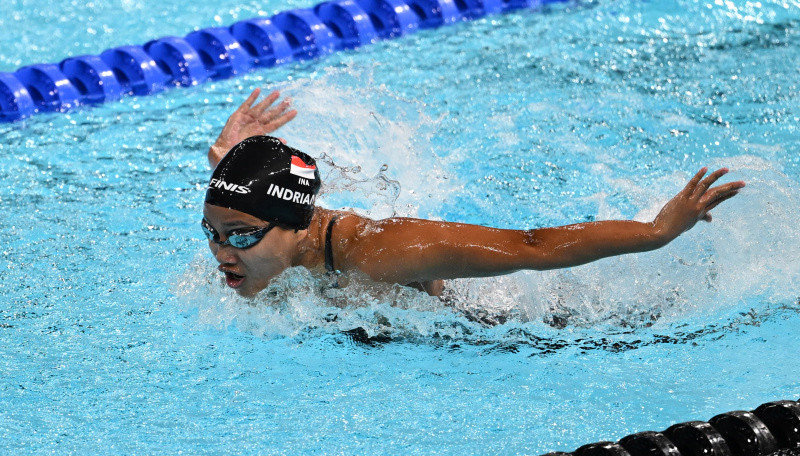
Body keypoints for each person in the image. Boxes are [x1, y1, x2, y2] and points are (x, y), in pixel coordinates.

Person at [202, 89, 745, 299]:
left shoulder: (378, 251)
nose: (222, 253)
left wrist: (657, 231)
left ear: (296, 223)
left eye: (241, 236)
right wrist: (226, 156)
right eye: (213, 234)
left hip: (485, 333)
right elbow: (247, 209)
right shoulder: (266, 229)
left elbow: (531, 246)